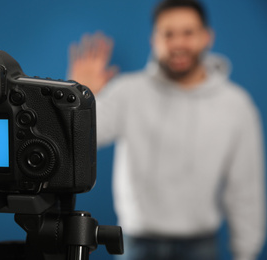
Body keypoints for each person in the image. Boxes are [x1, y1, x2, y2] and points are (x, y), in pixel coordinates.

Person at [68, 0, 265, 259]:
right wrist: (79, 97)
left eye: (188, 33)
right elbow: (79, 141)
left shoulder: (236, 105)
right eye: (168, 34)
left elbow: (246, 187)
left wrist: (247, 252)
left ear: (207, 37)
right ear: (154, 40)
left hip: (200, 247)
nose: (178, 43)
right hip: (135, 244)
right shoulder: (128, 92)